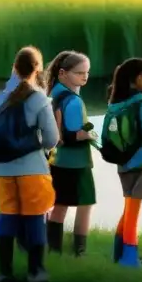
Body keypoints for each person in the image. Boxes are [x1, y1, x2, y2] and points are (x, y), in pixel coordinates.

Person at [0, 47, 59, 282]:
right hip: (32, 169)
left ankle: (4, 273)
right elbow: (52, 139)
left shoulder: (1, 97)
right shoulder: (38, 98)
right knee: (34, 218)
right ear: (37, 68)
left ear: (14, 68)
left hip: (2, 169)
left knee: (7, 216)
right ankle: (35, 271)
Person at [104, 58, 142, 268]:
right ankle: (129, 258)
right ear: (136, 79)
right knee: (133, 210)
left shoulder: (115, 102)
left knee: (128, 205)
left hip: (122, 161)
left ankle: (117, 254)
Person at [46, 51, 97, 257]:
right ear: (62, 73)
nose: (84, 77)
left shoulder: (53, 94)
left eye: (87, 72)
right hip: (76, 161)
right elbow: (72, 134)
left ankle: (54, 250)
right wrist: (91, 134)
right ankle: (80, 251)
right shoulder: (74, 101)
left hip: (57, 159)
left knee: (59, 205)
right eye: (79, 73)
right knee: (85, 204)